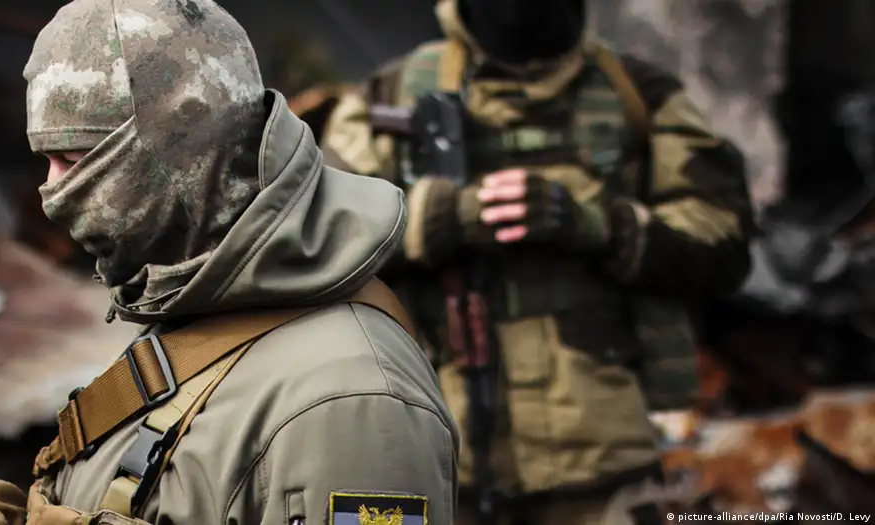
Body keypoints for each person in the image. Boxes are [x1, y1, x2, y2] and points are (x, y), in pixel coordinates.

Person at [0, 1, 459, 525]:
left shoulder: (349, 404)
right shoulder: (199, 304)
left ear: (185, 154)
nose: (51, 191)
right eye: (46, 160)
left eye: (74, 159)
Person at [319, 0, 755, 524]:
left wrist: (600, 224)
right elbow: (322, 243)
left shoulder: (638, 95)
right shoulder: (389, 97)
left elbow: (724, 241)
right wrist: (440, 218)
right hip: (433, 459)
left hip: (606, 470)